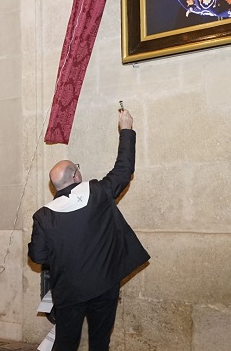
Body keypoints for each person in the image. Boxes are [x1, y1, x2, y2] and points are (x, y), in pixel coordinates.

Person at [27, 109, 150, 351]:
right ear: (75, 175)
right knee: (99, 343)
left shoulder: (43, 216)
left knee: (65, 343)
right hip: (104, 287)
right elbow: (123, 171)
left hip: (68, 292)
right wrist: (126, 129)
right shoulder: (96, 194)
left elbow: (38, 257)